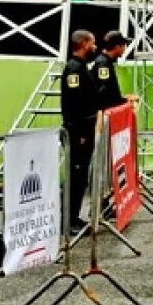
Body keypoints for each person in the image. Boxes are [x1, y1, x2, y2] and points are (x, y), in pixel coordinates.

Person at [61, 30, 100, 231]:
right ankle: (67, 220)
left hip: (84, 131)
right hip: (78, 133)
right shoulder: (74, 69)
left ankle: (74, 217)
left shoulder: (82, 68)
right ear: (84, 44)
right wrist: (81, 133)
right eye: (93, 43)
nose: (95, 47)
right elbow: (74, 104)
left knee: (80, 177)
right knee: (75, 178)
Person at [93, 31, 140, 111]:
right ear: (117, 46)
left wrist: (123, 99)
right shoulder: (103, 63)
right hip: (105, 111)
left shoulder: (106, 61)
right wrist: (124, 101)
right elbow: (104, 91)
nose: (125, 49)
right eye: (124, 45)